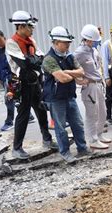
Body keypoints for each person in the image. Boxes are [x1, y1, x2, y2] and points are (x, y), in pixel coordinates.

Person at [6, 10, 57, 159]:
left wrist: (33, 61)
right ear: (20, 26)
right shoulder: (12, 43)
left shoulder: (31, 41)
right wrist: (33, 61)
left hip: (34, 81)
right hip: (21, 83)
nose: (32, 29)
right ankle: (17, 147)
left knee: (40, 109)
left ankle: (47, 139)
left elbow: (41, 57)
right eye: (29, 26)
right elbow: (24, 63)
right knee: (23, 114)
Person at [42, 26, 91, 163]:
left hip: (69, 96)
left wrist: (66, 72)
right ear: (56, 42)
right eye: (65, 43)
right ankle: (65, 152)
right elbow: (63, 79)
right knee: (61, 127)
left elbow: (81, 72)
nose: (68, 45)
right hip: (55, 98)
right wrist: (70, 74)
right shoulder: (49, 59)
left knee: (78, 124)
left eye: (69, 42)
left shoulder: (69, 56)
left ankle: (82, 148)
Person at [74, 24, 112, 149]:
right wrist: (79, 80)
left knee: (103, 112)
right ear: (88, 40)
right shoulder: (79, 53)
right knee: (92, 114)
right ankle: (93, 140)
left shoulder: (93, 51)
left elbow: (97, 66)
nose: (96, 43)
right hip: (89, 86)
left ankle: (99, 134)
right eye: (95, 41)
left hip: (98, 84)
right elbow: (71, 68)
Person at [0, 30, 36, 131]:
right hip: (2, 77)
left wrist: (15, 78)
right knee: (16, 99)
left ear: (4, 38)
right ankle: (28, 116)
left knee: (9, 99)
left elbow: (16, 64)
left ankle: (9, 122)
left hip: (11, 78)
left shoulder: (9, 48)